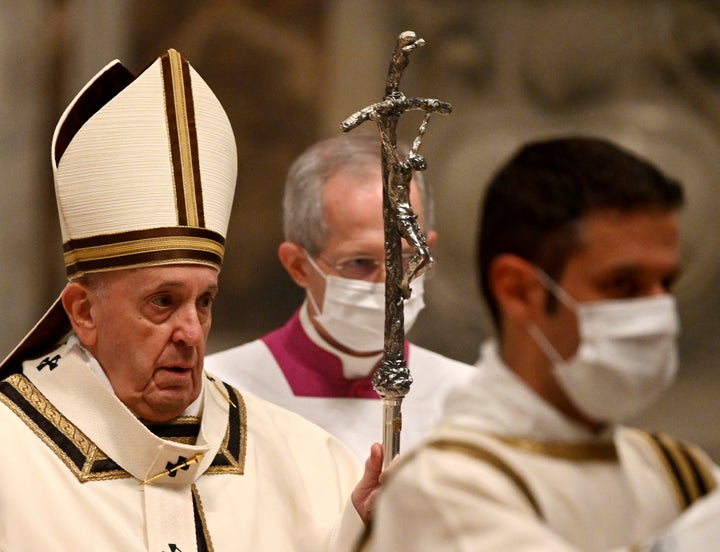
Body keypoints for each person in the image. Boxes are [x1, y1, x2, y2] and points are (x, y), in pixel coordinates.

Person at [0, 49, 381, 552]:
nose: (191, 332)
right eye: (162, 302)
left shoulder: (311, 464)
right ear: (84, 312)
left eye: (203, 302)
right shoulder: (12, 455)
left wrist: (368, 536)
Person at [360, 136, 720, 551]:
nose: (659, 313)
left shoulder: (678, 473)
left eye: (667, 284)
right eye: (623, 284)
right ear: (518, 291)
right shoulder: (440, 491)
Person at [204, 132, 476, 459]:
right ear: (298, 265)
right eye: (360, 262)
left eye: (407, 260)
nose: (391, 286)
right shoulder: (217, 393)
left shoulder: (470, 400)